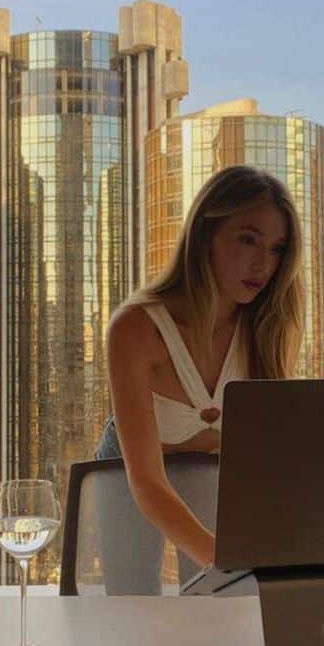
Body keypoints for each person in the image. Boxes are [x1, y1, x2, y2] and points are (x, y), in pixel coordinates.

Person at [93, 164, 305, 583]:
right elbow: (148, 483)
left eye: (277, 248)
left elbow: (271, 448)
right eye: (248, 239)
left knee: (217, 608)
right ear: (205, 235)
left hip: (213, 472)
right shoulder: (136, 328)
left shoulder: (269, 326)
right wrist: (227, 564)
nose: (263, 264)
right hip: (131, 476)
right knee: (131, 601)